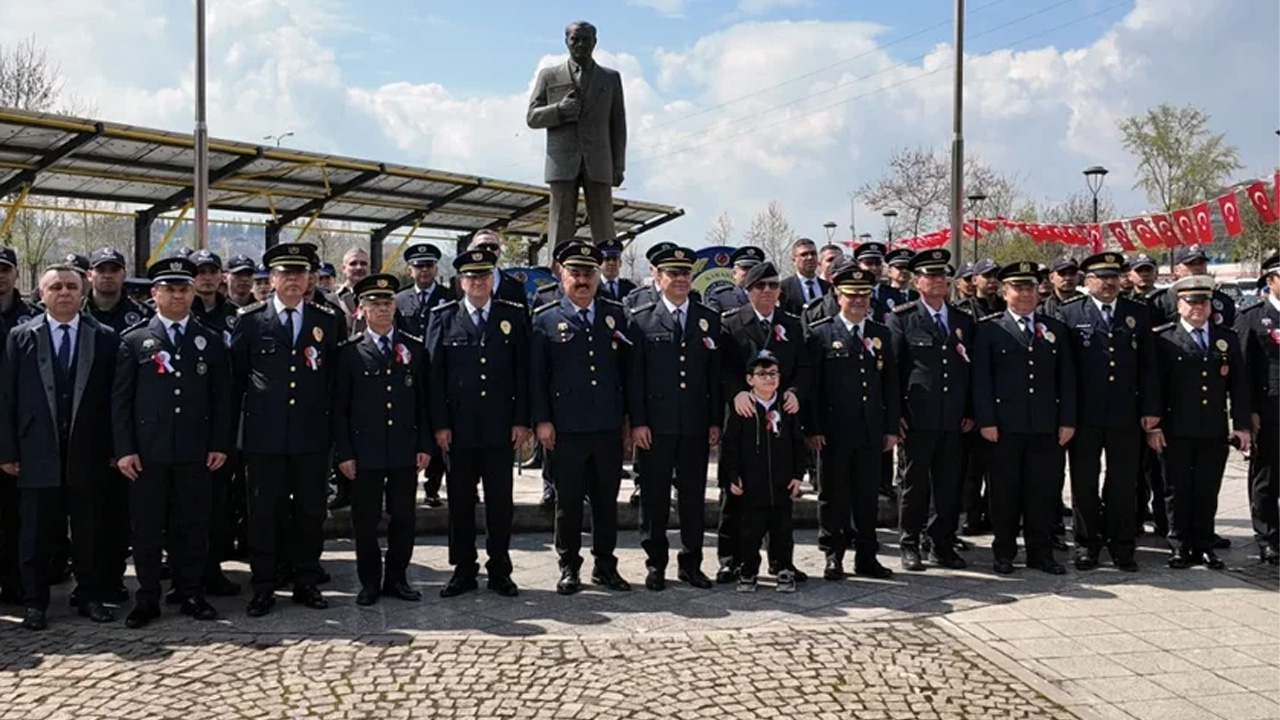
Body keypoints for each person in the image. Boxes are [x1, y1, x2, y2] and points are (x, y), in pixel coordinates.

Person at [113, 257, 230, 628]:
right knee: (147, 529)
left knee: (193, 525)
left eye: (183, 289)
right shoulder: (134, 341)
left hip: (195, 451)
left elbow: (221, 400)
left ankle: (190, 591)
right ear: (155, 293)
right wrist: (124, 449)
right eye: (170, 289)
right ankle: (147, 597)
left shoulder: (210, 340)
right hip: (148, 453)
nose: (177, 296)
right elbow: (121, 401)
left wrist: (219, 443)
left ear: (193, 293)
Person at [0, 265, 119, 631]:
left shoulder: (104, 337)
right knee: (35, 533)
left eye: (71, 286)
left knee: (89, 532)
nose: (64, 292)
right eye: (56, 287)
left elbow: (115, 400)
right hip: (36, 451)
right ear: (42, 294)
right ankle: (35, 603)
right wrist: (8, 451)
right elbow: (7, 398)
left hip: (88, 451)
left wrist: (116, 448)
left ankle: (90, 596)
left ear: (82, 292)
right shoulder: (21, 336)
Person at [230, 242, 341, 617]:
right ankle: (264, 585)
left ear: (309, 279)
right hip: (265, 437)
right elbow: (236, 383)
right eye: (285, 273)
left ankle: (306, 580)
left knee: (310, 512)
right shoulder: (250, 320)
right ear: (272, 279)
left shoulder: (327, 320)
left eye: (299, 273)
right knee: (264, 513)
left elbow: (333, 381)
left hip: (311, 436)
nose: (293, 279)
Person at [530, 241, 632, 595]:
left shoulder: (615, 314)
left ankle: (605, 565)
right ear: (563, 275)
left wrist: (629, 419)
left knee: (606, 502)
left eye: (589, 273)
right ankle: (568, 566)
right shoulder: (545, 318)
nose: (583, 280)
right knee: (568, 503)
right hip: (567, 428)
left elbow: (628, 372)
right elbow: (537, 377)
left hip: (607, 425)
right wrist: (542, 421)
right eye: (576, 273)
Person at [427, 249, 529, 598]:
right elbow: (434, 377)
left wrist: (521, 420)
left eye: (484, 275)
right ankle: (463, 569)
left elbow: (522, 372)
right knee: (460, 503)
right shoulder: (443, 317)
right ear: (461, 282)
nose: (478, 282)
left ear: (492, 279)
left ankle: (500, 569)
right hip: (459, 430)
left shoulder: (511, 315)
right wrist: (440, 425)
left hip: (500, 428)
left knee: (500, 503)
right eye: (471, 277)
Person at [334, 274, 434, 606]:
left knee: (403, 517)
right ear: (362, 309)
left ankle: (397, 578)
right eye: (375, 304)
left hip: (404, 448)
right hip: (365, 451)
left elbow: (424, 403)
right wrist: (344, 453)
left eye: (388, 303)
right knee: (365, 520)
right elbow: (340, 409)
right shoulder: (349, 352)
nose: (382, 309)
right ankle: (369, 582)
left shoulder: (413, 348)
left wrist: (424, 445)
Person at [1055, 252, 1159, 572]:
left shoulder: (1137, 312)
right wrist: (1066, 416)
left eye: (1113, 277)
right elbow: (1064, 372)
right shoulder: (1070, 313)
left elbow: (1149, 366)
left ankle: (1122, 545)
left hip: (1125, 414)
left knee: (1123, 483)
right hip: (1085, 415)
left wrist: (1151, 409)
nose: (1109, 283)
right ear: (1087, 281)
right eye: (1102, 278)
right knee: (1084, 482)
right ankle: (1086, 545)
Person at [627, 245, 721, 591]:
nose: (681, 279)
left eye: (685, 273)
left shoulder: (708, 318)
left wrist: (715, 421)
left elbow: (713, 377)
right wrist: (638, 422)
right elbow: (634, 378)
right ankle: (656, 564)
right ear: (658, 276)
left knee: (693, 497)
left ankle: (691, 563)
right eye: (673, 273)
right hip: (656, 425)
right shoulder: (641, 318)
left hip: (695, 424)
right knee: (654, 498)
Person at [972, 261, 1076, 575]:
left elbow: (1067, 379)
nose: (1026, 293)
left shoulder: (1055, 329)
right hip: (1004, 426)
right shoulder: (989, 329)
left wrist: (1067, 420)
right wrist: (986, 420)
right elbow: (982, 380)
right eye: (1018, 288)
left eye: (1030, 287)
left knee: (1042, 492)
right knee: (1004, 493)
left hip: (1045, 425)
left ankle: (1040, 553)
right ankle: (1004, 551)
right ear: (1005, 293)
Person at [716, 261, 809, 583]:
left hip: (781, 415)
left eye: (773, 285)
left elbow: (803, 367)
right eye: (760, 286)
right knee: (736, 492)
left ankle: (781, 561)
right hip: (743, 415)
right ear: (748, 290)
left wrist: (794, 391)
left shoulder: (792, 324)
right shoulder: (731, 323)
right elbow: (723, 367)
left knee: (778, 496)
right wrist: (736, 393)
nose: (768, 291)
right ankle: (731, 559)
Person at [1149, 275, 1251, 569]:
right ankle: (1179, 545)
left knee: (1207, 489)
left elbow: (1239, 385)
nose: (1198, 307)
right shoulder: (1164, 338)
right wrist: (1154, 426)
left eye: (1203, 302)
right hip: (1176, 428)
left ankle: (1204, 544)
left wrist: (1241, 426)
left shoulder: (1226, 338)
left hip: (1212, 428)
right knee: (1176, 489)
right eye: (1191, 302)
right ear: (1179, 305)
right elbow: (1154, 385)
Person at [806, 267, 899, 581]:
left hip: (870, 430)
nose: (858, 300)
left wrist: (890, 428)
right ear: (838, 296)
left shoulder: (880, 333)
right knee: (833, 496)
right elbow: (813, 389)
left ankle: (867, 556)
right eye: (851, 295)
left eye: (864, 295)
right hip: (833, 432)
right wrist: (814, 428)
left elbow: (890, 385)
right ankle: (833, 555)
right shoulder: (821, 333)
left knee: (867, 496)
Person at [886, 249, 974, 572]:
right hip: (917, 416)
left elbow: (970, 371)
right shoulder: (902, 318)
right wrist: (895, 415)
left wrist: (970, 410)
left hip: (952, 417)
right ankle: (910, 543)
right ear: (917, 281)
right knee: (914, 484)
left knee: (949, 485)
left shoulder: (962, 319)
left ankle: (941, 543)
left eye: (942, 275)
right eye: (930, 275)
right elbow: (893, 372)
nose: (938, 280)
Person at [84, 246, 151, 604]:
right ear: (90, 275)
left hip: (127, 428)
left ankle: (113, 579)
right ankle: (86, 581)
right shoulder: (76, 313)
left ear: (124, 274)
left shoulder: (141, 318)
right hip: (85, 426)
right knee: (85, 512)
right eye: (101, 269)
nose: (107, 275)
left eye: (114, 269)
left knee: (120, 513)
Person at [526, 20, 626, 247]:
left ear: (595, 42)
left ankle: (608, 268)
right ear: (566, 42)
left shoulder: (610, 78)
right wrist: (559, 110)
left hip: (599, 162)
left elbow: (618, 124)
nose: (580, 44)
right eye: (575, 39)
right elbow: (532, 117)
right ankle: (556, 268)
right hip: (561, 162)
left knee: (604, 226)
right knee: (559, 225)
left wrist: (618, 165)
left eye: (586, 39)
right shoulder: (549, 75)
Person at [719, 351, 805, 593]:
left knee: (782, 530)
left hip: (781, 482)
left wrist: (798, 475)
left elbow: (798, 443)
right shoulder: (741, 408)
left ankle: (784, 568)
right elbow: (730, 445)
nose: (768, 378)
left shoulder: (786, 406)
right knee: (749, 529)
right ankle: (748, 570)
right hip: (751, 482)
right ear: (750, 379)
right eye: (762, 374)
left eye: (773, 373)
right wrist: (731, 475)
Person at [393, 242, 451, 506]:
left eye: (428, 266)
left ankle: (433, 486)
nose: (424, 271)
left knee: (438, 425)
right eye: (418, 266)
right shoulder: (399, 300)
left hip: (440, 371)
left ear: (436, 268)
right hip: (409, 371)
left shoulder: (449, 297)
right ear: (410, 270)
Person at [1234, 252, 1280, 565]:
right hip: (1269, 409)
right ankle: (1267, 537)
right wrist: (1246, 413)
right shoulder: (1252, 317)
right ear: (1270, 281)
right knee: (1267, 477)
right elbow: (1242, 371)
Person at [0, 246, 36, 605]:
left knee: (16, 514)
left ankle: (14, 582)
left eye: (4, 269)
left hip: (18, 429)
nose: (0, 276)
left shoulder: (32, 319)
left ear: (15, 273)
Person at [1150, 247, 1236, 327]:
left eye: (1201, 263)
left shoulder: (1222, 300)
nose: (1197, 267)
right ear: (1176, 270)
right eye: (1191, 264)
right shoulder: (1161, 302)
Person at [468, 230, 529, 309]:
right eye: (482, 247)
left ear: (499, 252)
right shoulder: (459, 284)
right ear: (472, 251)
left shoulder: (515, 285)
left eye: (493, 247)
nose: (488, 250)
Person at [706, 246, 764, 314]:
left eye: (755, 268)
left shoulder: (771, 295)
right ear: (734, 273)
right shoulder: (721, 297)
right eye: (745, 268)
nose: (751, 272)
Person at [780, 238, 829, 316]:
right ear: (794, 260)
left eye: (813, 253)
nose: (810, 257)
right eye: (804, 254)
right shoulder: (783, 288)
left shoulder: (829, 288)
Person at [334, 248, 372, 314]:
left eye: (363, 263)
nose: (359, 267)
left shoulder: (380, 296)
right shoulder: (333, 298)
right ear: (343, 269)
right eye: (353, 263)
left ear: (369, 268)